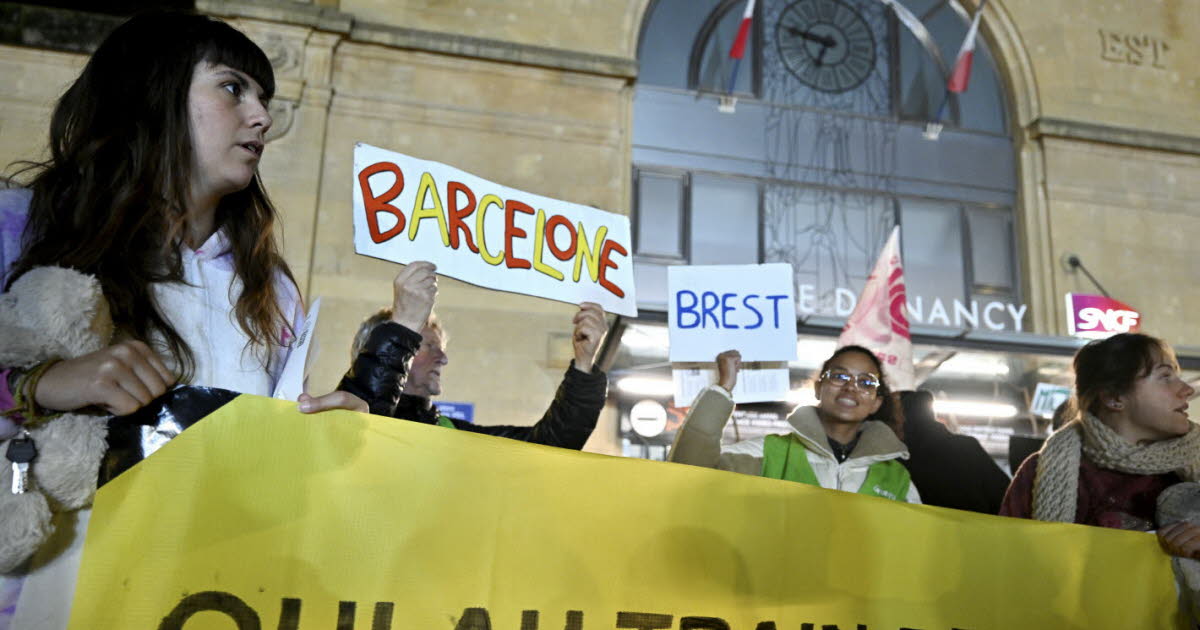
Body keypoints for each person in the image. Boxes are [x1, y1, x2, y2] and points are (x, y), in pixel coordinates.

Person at [0, 11, 363, 629]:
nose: (263, 117)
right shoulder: (19, 226)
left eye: (264, 97)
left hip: (199, 602)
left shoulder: (270, 288)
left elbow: (264, 466)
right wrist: (35, 387)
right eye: (231, 88)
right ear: (153, 94)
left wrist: (324, 438)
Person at [337, 262, 609, 450]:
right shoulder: (343, 419)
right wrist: (404, 323)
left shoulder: (450, 432)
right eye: (426, 345)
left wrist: (584, 365)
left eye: (440, 347)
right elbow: (366, 419)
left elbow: (549, 446)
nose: (442, 357)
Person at [1000, 333, 1200, 547]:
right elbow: (1009, 557)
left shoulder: (1189, 468)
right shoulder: (1040, 472)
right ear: (1114, 398)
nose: (1187, 390)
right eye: (1165, 377)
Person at [669, 346, 920, 503]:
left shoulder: (898, 480)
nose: (851, 386)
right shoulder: (767, 454)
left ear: (876, 403)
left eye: (866, 382)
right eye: (840, 376)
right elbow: (688, 472)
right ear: (819, 388)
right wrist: (723, 388)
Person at [899, 390, 1010, 514]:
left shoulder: (898, 458)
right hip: (976, 529)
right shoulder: (967, 447)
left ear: (902, 419)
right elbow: (1006, 496)